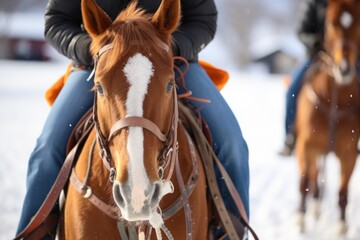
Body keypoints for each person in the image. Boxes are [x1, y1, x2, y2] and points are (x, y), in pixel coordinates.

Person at [15, 0, 250, 238]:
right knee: (46, 149)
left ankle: (230, 233)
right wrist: (94, 47)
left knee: (232, 144)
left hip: (167, 61)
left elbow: (203, 20)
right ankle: (34, 233)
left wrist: (166, 45)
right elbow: (56, 21)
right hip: (99, 64)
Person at [279, 0, 327, 156]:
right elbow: (301, 31)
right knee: (292, 91)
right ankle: (290, 136)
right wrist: (315, 42)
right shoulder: (313, 3)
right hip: (315, 55)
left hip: (345, 57)